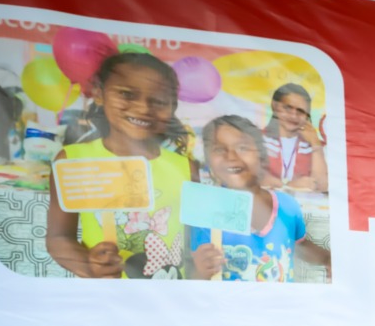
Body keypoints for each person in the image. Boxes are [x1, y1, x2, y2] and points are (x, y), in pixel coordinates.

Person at [44, 52, 197, 279]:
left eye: (158, 100)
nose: (143, 108)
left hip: (169, 296)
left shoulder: (186, 169)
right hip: (106, 300)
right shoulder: (72, 160)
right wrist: (88, 264)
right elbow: (59, 238)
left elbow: (193, 243)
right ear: (99, 93)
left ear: (172, 106)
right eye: (126, 94)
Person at [188, 116, 331, 282]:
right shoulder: (204, 212)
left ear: (261, 156)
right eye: (219, 149)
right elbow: (194, 275)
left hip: (279, 307)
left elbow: (300, 244)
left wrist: (328, 260)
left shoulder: (287, 205)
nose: (231, 156)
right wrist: (200, 272)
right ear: (208, 160)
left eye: (242, 147)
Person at [260, 83, 328, 193]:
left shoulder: (316, 145)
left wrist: (316, 144)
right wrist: (290, 186)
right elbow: (251, 179)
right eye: (288, 108)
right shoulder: (256, 139)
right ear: (275, 106)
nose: (293, 116)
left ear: (307, 115)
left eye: (300, 111)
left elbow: (322, 185)